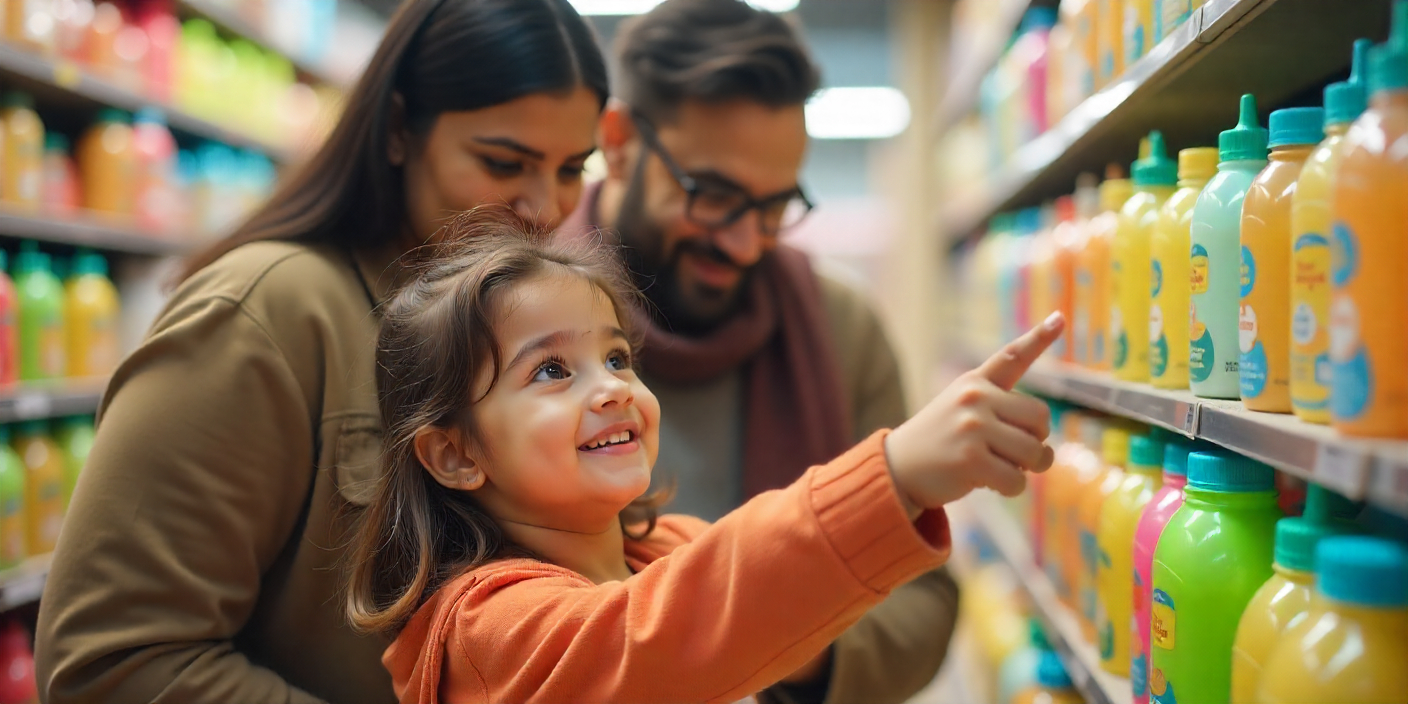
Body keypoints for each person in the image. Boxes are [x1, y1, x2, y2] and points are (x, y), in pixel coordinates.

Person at [34, 1, 609, 702]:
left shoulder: (524, 319)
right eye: (502, 162)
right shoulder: (269, 311)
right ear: (399, 129)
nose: (544, 208)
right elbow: (109, 661)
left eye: (572, 169)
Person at [346, 210, 1063, 704]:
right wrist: (893, 475)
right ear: (455, 454)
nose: (612, 391)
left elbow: (736, 595)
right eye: (552, 371)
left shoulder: (664, 551)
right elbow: (668, 630)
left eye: (617, 357)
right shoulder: (487, 632)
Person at [560, 1, 961, 699]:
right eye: (714, 195)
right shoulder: (508, 320)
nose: (747, 243)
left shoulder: (841, 331)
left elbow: (923, 604)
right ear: (620, 141)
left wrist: (784, 641)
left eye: (775, 207)